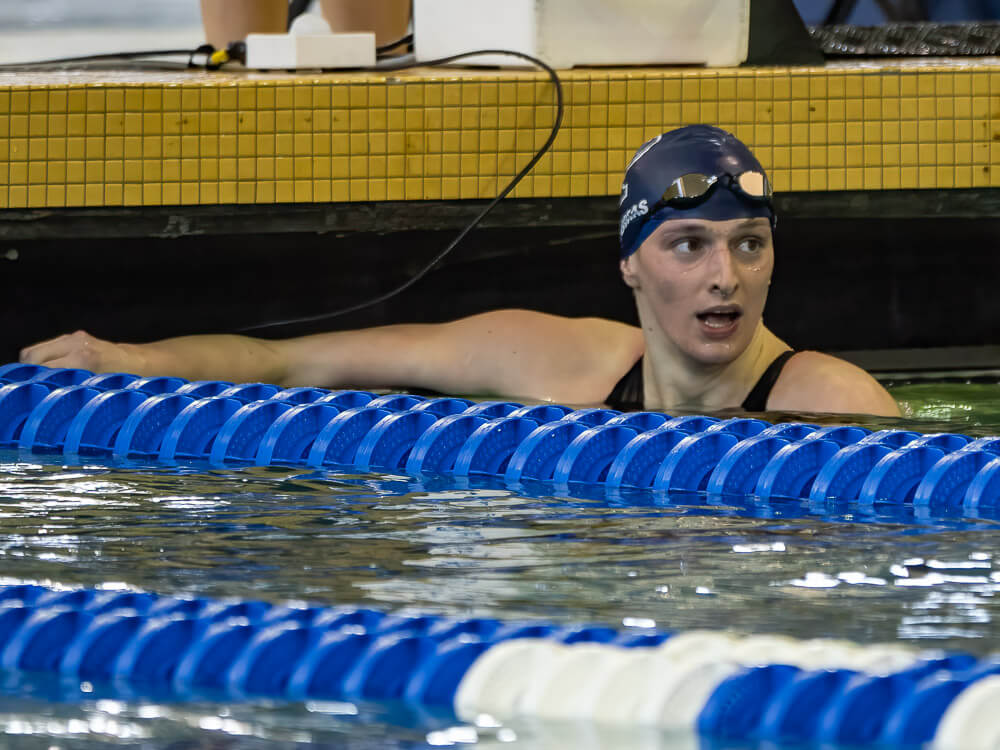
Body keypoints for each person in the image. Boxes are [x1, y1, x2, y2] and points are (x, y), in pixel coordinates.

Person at [19, 125, 900, 417]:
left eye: (750, 243)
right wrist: (129, 361)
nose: (726, 276)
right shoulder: (555, 363)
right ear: (630, 265)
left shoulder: (832, 403)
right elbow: (300, 364)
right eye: (689, 245)